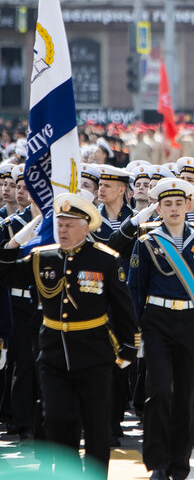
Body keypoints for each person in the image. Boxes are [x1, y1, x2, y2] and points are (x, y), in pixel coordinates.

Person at [0, 193, 139, 477]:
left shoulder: (105, 260)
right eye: (59, 224)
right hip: (52, 354)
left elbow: (123, 308)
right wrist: (13, 244)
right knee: (56, 417)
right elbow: (6, 275)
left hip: (94, 354)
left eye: (68, 225)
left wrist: (128, 348)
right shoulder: (42, 258)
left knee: (97, 424)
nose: (61, 230)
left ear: (85, 228)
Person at [128, 178, 194, 480]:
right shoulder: (147, 242)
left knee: (185, 394)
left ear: (189, 206)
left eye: (178, 203)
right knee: (159, 391)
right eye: (167, 204)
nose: (173, 209)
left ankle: (180, 463)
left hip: (190, 323)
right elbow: (135, 290)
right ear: (159, 208)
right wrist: (136, 331)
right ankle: (158, 461)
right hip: (156, 322)